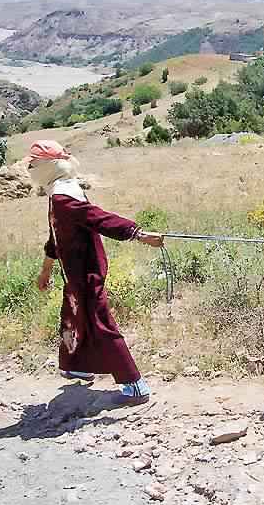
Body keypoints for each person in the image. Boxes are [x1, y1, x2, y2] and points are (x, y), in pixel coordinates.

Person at [26, 140, 163, 407]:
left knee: (101, 323)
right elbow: (56, 237)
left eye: (35, 164)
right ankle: (77, 366)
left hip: (86, 272)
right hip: (74, 272)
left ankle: (134, 385)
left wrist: (138, 234)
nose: (31, 168)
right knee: (72, 315)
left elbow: (99, 219)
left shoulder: (64, 197)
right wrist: (46, 270)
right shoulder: (59, 192)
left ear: (49, 166)